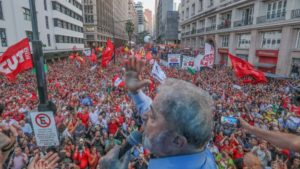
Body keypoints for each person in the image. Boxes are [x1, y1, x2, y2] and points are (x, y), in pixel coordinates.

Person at [98, 57, 217, 168]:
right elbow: (161, 114)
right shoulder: (198, 150)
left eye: (153, 117)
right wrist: (136, 93)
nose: (145, 115)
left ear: (177, 141)